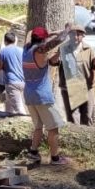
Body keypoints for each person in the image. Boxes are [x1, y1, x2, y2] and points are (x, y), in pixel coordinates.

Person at [23, 25, 73, 165]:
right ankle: (55, 158)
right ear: (43, 40)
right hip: (42, 96)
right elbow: (58, 40)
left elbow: (30, 33)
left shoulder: (26, 48)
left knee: (38, 127)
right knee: (53, 127)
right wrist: (67, 30)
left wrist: (50, 33)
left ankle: (33, 152)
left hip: (29, 94)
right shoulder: (39, 50)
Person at [57, 24, 95, 125]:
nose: (76, 37)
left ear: (83, 36)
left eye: (79, 35)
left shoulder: (88, 49)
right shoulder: (63, 49)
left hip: (86, 87)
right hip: (69, 88)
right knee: (73, 119)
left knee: (87, 116)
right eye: (73, 34)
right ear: (69, 35)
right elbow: (53, 62)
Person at [0, 32, 28, 115]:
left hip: (12, 83)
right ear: (15, 40)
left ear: (5, 41)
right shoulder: (22, 51)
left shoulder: (3, 52)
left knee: (20, 111)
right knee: (9, 107)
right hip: (24, 81)